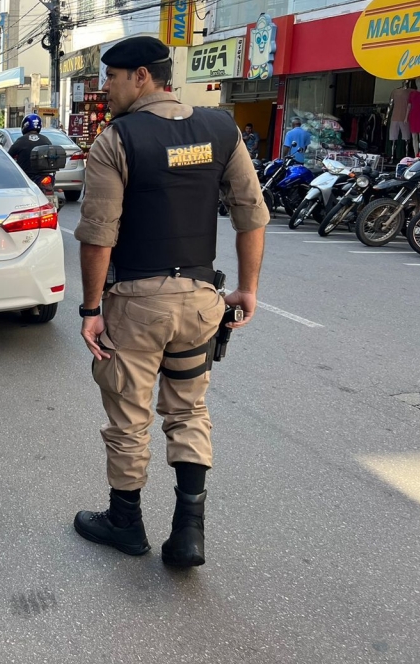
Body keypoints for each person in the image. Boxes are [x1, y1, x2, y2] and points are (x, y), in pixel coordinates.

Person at [73, 35, 269, 568]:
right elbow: (252, 213)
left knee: (129, 417)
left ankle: (125, 523)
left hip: (136, 304)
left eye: (110, 77)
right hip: (201, 302)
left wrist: (91, 310)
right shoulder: (220, 128)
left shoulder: (118, 139)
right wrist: (247, 289)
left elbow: (98, 234)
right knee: (188, 409)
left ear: (141, 77)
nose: (104, 88)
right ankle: (189, 533)